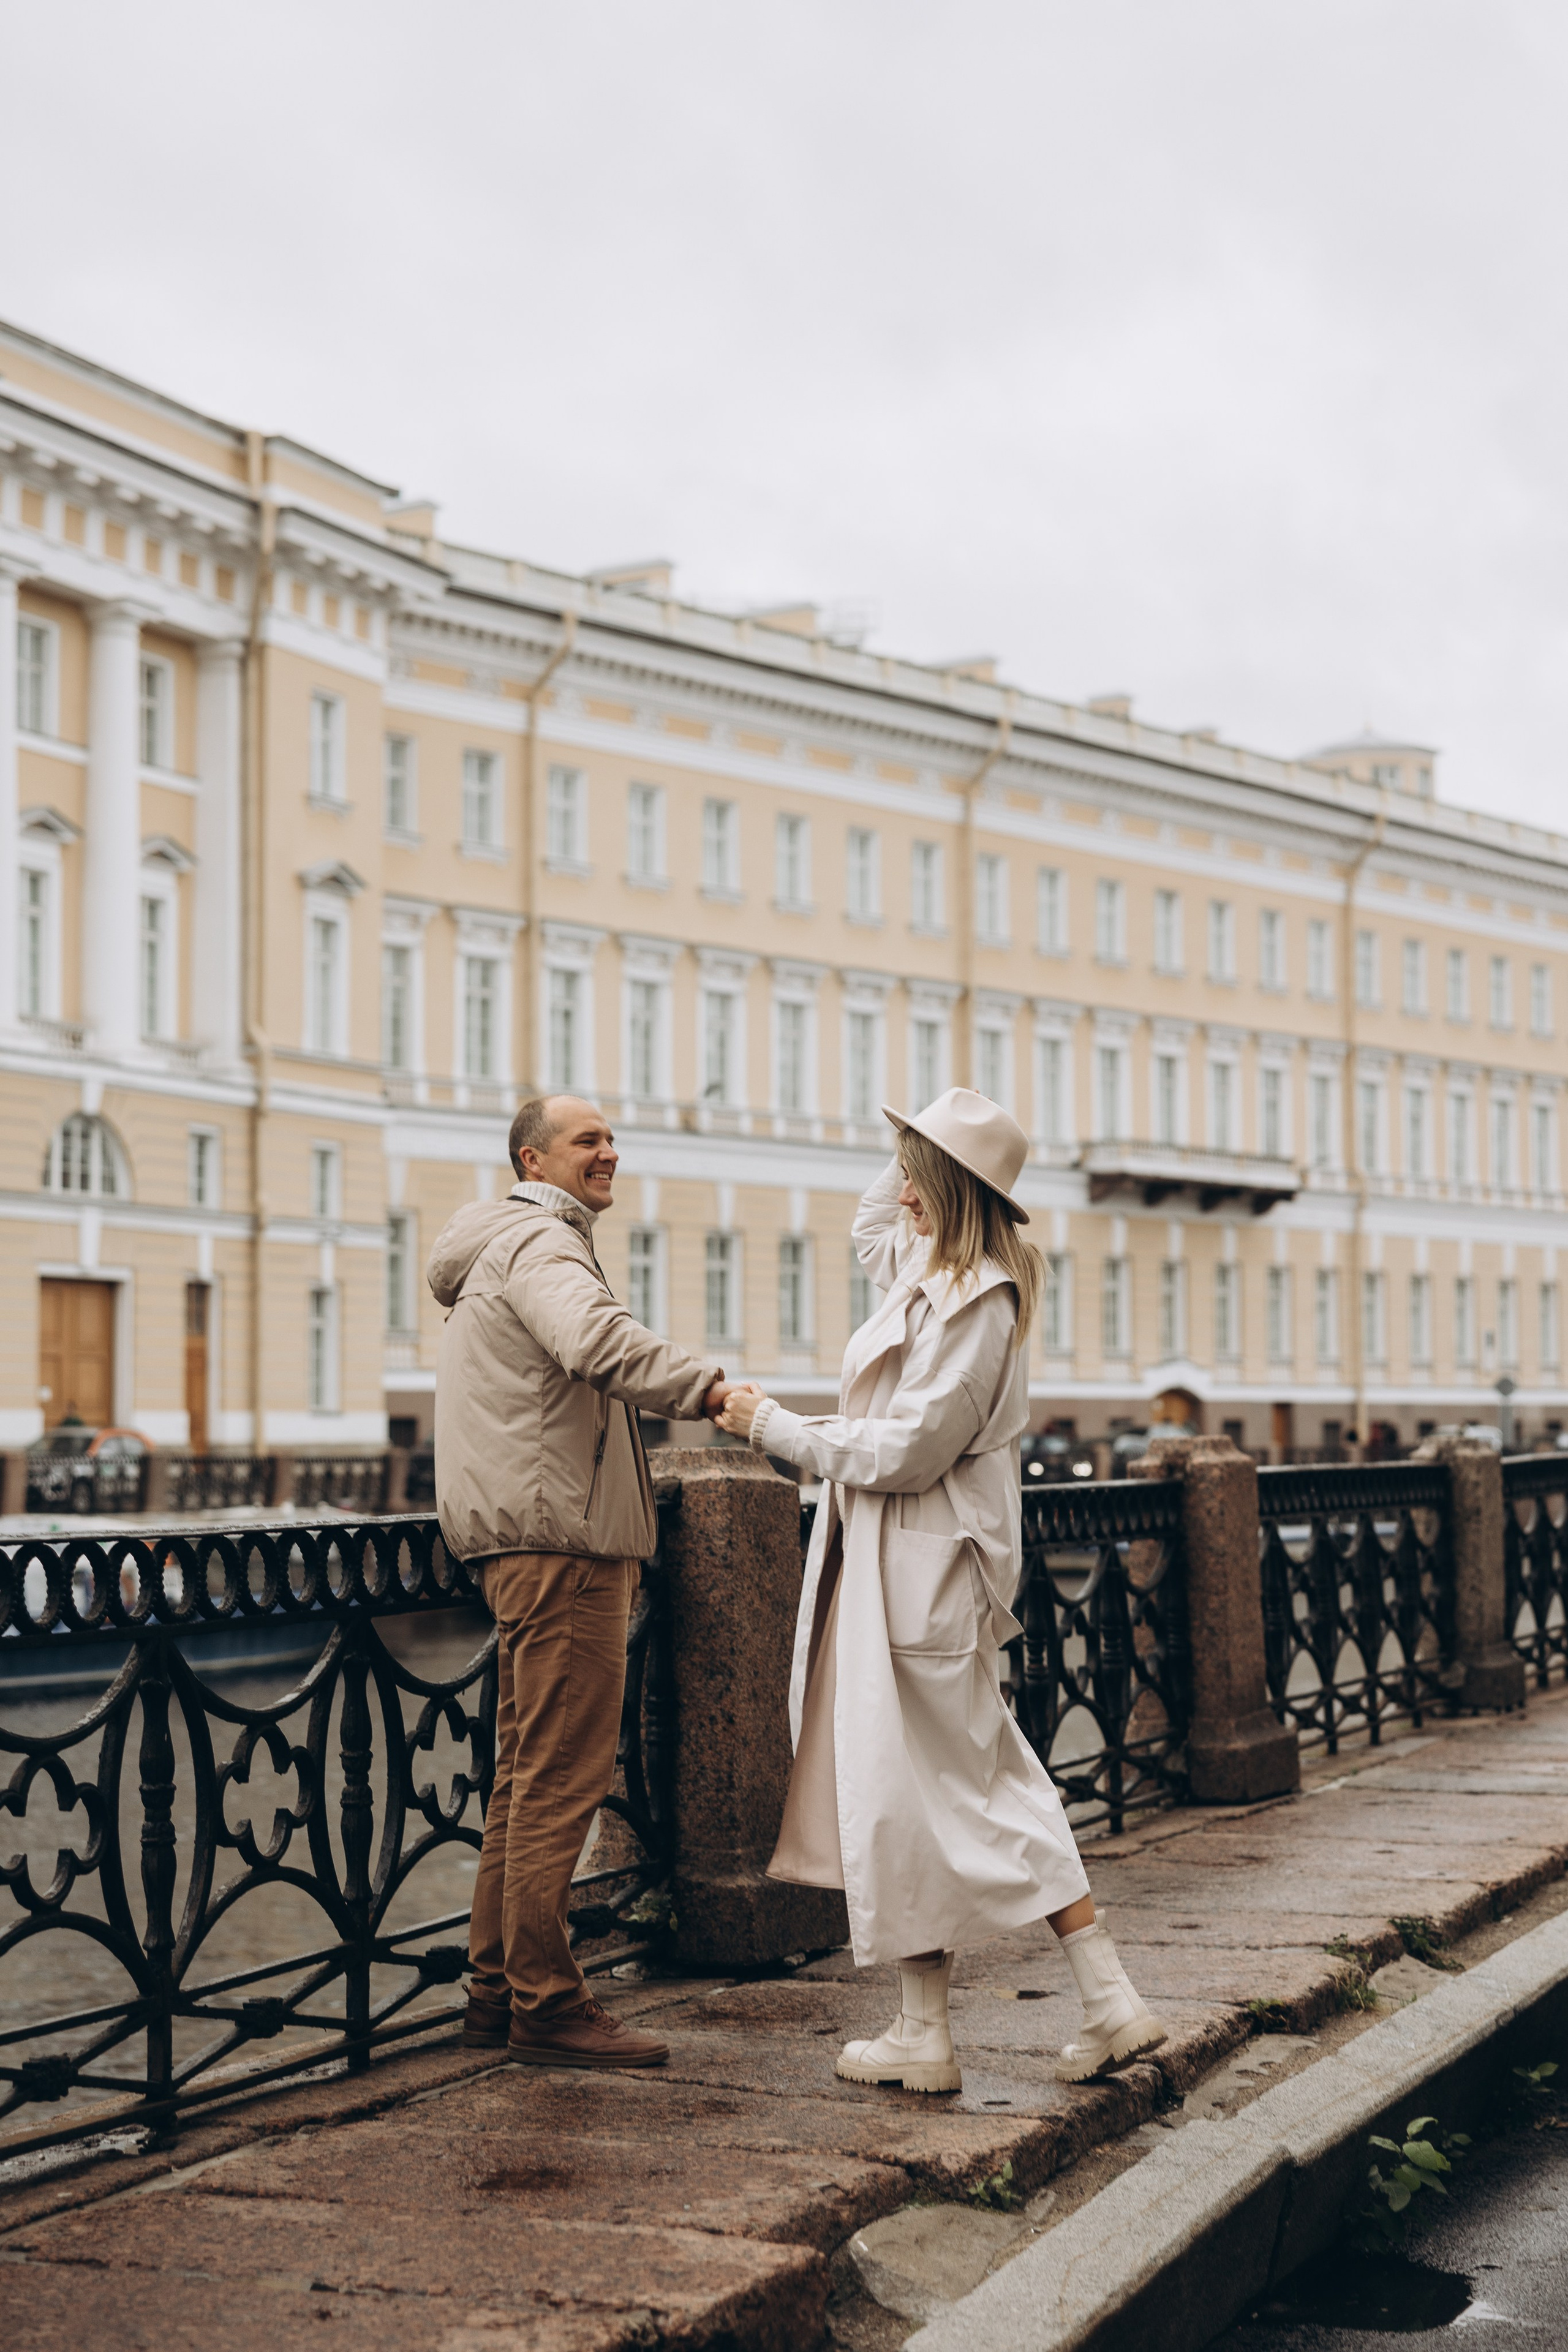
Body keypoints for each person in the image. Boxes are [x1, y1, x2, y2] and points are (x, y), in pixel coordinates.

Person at [718, 1087, 1167, 2092]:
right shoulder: (928, 1267)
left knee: (986, 1786)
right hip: (896, 1567)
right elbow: (872, 1222)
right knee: (901, 1795)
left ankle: (1107, 2001)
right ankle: (927, 2031)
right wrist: (918, 1135)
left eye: (920, 1175)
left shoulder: (976, 1303)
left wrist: (772, 1427)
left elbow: (909, 1450)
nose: (904, 1191)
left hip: (925, 1574)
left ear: (954, 1190)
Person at [428, 1093, 737, 2070]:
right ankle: (549, 2004)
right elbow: (595, 1342)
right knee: (561, 1781)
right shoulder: (542, 1242)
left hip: (527, 1538)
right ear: (534, 1159)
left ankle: (494, 1994)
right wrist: (712, 1390)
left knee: (525, 1780)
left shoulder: (500, 1245)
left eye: (611, 1137)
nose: (609, 1152)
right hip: (562, 1543)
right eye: (587, 1140)